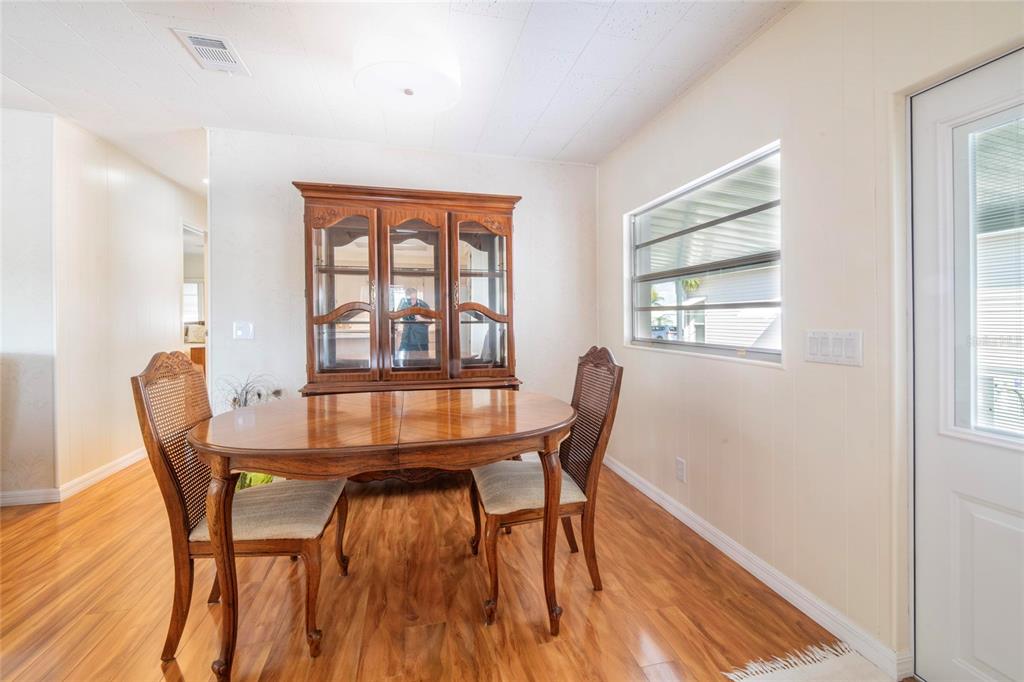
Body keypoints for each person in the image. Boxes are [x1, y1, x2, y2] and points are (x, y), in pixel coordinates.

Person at [397, 287, 430, 353]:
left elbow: (429, 322)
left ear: (416, 296)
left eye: (414, 299)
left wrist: (420, 319)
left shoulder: (424, 305)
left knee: (422, 360)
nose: (412, 302)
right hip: (406, 339)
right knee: (402, 360)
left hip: (420, 340)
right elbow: (397, 316)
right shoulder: (404, 304)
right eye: (410, 299)